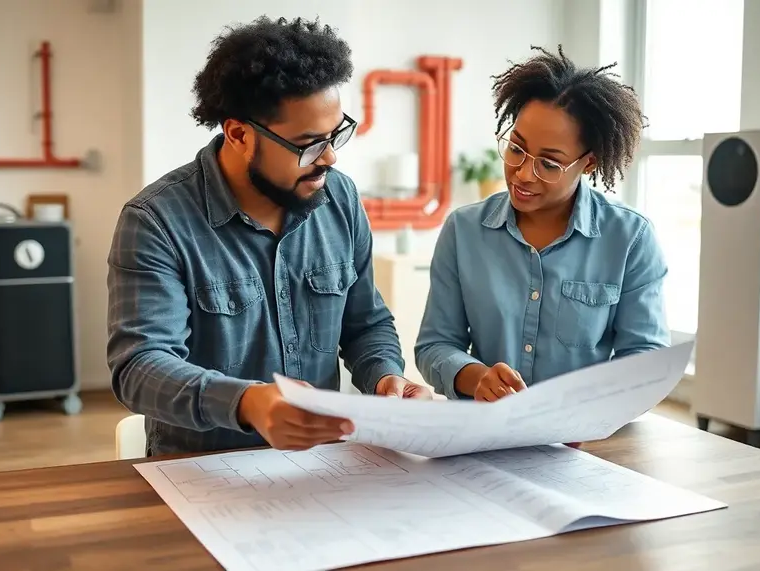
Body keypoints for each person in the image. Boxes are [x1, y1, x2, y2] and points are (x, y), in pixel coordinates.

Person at [107, 16, 432, 457]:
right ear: (240, 134)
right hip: (202, 472)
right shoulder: (156, 222)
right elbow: (139, 368)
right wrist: (246, 402)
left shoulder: (340, 198)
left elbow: (365, 324)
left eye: (337, 133)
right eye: (309, 144)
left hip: (322, 465)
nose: (331, 156)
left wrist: (385, 376)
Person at [415, 44, 670, 404]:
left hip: (586, 440)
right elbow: (435, 344)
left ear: (589, 164)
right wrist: (478, 379)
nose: (522, 174)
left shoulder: (630, 239)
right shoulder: (463, 231)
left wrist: (588, 408)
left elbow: (645, 357)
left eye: (549, 164)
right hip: (484, 434)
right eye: (516, 148)